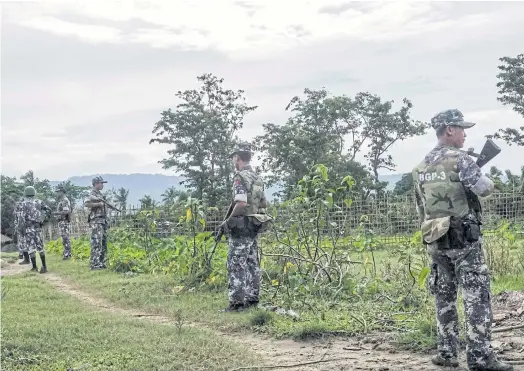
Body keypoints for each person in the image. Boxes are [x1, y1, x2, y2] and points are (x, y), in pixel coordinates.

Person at [411, 109, 513, 371]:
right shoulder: (460, 160)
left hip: (436, 241)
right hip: (465, 243)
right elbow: (485, 188)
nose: (465, 133)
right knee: (476, 298)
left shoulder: (420, 167)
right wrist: (478, 171)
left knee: (443, 298)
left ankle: (446, 353)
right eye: (461, 129)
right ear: (449, 131)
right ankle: (479, 359)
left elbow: (422, 208)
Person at [221, 143, 272, 312]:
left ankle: (236, 303)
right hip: (253, 226)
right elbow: (264, 203)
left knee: (236, 263)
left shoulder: (240, 177)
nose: (233, 161)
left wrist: (229, 221)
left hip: (241, 227)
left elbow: (241, 202)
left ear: (238, 158)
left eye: (234, 158)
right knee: (252, 263)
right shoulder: (257, 178)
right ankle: (252, 299)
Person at [17, 186, 51, 273]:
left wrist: (21, 230)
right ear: (34, 193)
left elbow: (21, 219)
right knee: (40, 247)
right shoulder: (39, 202)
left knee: (31, 248)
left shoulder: (23, 204)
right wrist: (44, 220)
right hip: (38, 228)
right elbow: (48, 210)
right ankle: (44, 267)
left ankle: (34, 267)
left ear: (25, 193)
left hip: (28, 229)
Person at [84, 176, 109, 270]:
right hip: (96, 220)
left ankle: (101, 262)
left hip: (103, 220)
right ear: (96, 184)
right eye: (101, 183)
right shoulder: (90, 193)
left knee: (103, 243)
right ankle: (94, 263)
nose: (102, 185)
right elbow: (86, 204)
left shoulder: (100, 194)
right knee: (96, 242)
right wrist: (98, 204)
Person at [54, 186, 72, 260]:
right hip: (62, 221)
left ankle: (67, 254)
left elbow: (66, 211)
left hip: (64, 221)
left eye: (58, 192)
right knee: (64, 238)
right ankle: (66, 253)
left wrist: (56, 213)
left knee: (65, 238)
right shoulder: (62, 200)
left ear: (62, 192)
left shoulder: (64, 200)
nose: (57, 193)